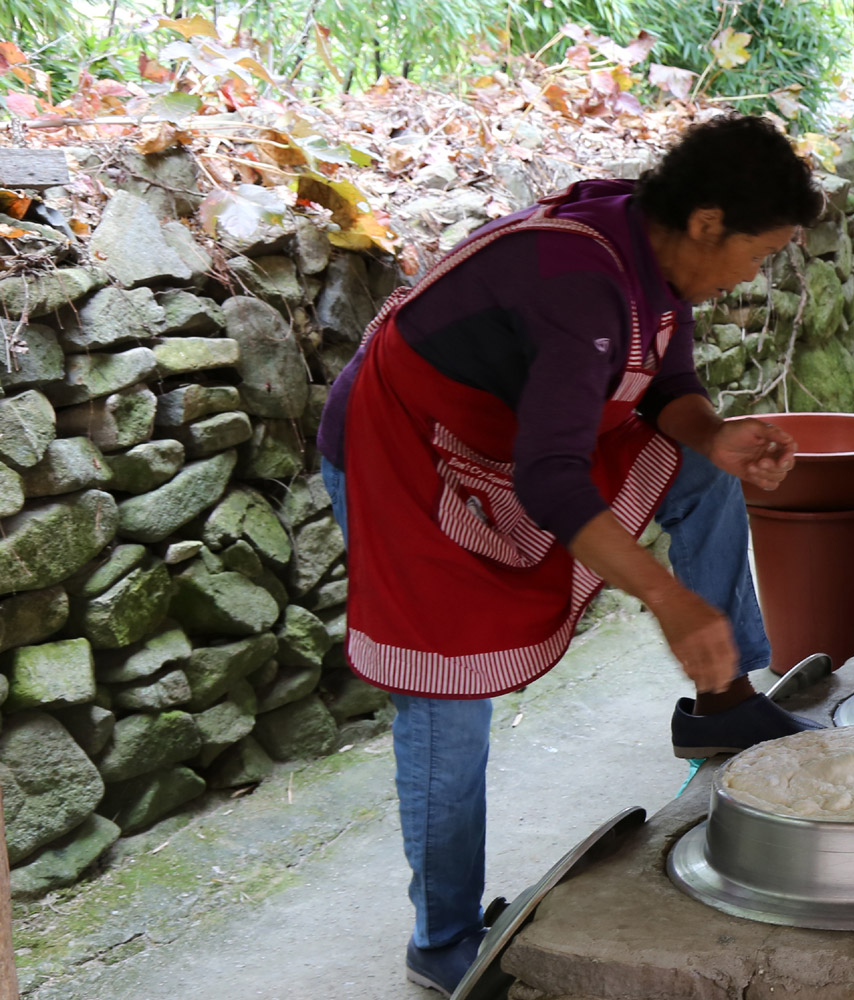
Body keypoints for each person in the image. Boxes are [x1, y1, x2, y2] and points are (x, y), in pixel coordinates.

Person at [316, 114, 825, 996]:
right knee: (446, 694)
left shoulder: (648, 257)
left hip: (507, 442)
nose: (758, 271)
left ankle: (725, 703)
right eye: (760, 250)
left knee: (700, 477)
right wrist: (670, 601)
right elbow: (553, 485)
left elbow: (668, 387)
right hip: (403, 452)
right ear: (708, 222)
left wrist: (718, 435)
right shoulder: (580, 283)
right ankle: (442, 941)